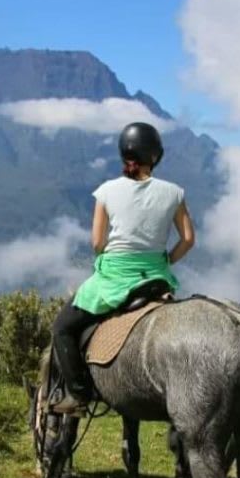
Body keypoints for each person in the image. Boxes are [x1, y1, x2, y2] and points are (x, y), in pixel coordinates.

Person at [50, 122, 196, 415]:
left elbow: (96, 242)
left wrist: (111, 259)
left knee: (62, 328)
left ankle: (78, 395)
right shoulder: (174, 193)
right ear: (155, 156)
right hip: (155, 279)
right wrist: (166, 260)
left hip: (113, 280)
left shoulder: (106, 191)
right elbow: (188, 239)